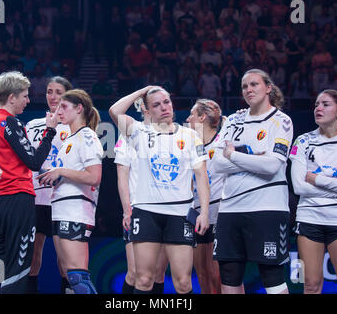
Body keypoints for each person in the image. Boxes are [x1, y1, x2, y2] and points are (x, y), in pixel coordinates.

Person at [109, 85, 210, 294]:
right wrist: (142, 91)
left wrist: (205, 213)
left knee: (183, 283)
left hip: (180, 214)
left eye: (166, 102)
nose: (164, 107)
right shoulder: (138, 132)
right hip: (146, 212)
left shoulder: (191, 136)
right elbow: (115, 111)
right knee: (144, 279)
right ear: (147, 110)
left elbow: (201, 177)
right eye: (156, 104)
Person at [212, 69, 293, 294]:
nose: (249, 89)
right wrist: (254, 156)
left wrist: (234, 155)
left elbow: (272, 166)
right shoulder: (234, 119)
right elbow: (216, 164)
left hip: (267, 208)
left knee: (272, 276)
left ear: (268, 88)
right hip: (229, 209)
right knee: (229, 276)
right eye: (245, 86)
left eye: (254, 84)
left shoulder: (281, 121)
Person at [0, 71, 58, 294]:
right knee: (19, 266)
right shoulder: (8, 122)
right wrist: (50, 131)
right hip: (15, 200)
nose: (28, 100)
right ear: (11, 97)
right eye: (24, 95)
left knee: (0, 262)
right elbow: (33, 161)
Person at [289, 89, 337, 294]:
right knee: (311, 286)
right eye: (316, 104)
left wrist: (317, 179)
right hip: (309, 220)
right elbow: (299, 187)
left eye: (325, 104)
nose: (318, 108)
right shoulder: (303, 141)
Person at [37, 89, 103, 294]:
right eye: (57, 108)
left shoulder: (88, 136)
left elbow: (94, 177)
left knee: (77, 277)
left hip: (75, 210)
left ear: (79, 108)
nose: (59, 112)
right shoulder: (69, 139)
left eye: (64, 107)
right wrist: (54, 176)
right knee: (67, 275)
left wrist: (61, 171)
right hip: (60, 209)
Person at [114, 98, 168, 294]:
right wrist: (127, 210)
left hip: (165, 209)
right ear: (144, 107)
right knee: (135, 272)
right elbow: (122, 177)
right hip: (137, 209)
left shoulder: (170, 134)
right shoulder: (129, 133)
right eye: (153, 103)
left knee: (159, 273)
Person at [25, 76, 72, 293]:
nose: (53, 96)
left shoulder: (75, 127)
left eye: (58, 92)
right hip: (35, 198)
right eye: (49, 91)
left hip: (63, 199)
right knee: (33, 256)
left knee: (66, 260)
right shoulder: (33, 124)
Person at [186, 99, 225, 294]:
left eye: (192, 114)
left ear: (202, 117)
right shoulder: (189, 146)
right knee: (201, 272)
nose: (187, 118)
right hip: (196, 213)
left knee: (216, 273)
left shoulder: (222, 142)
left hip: (219, 210)